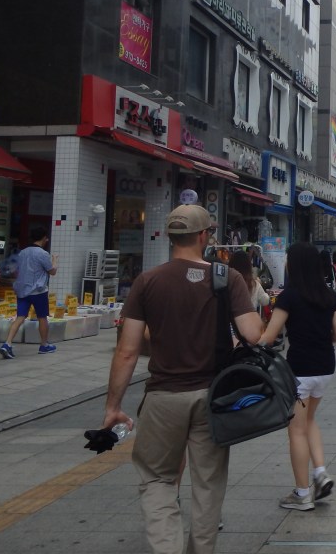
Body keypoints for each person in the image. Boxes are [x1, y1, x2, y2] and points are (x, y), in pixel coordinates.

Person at [101, 204, 261, 554]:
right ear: (204, 236)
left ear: (171, 237)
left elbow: (127, 351)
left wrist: (113, 406)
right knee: (207, 484)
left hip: (163, 396)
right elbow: (253, 333)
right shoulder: (227, 278)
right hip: (212, 397)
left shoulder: (148, 281)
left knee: (157, 478)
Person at [261, 243, 336, 511]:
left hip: (299, 371)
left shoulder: (289, 296)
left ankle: (302, 494)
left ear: (294, 265)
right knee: (309, 420)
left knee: (295, 429)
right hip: (325, 367)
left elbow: (269, 336)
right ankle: (320, 473)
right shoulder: (329, 295)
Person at [0, 226, 59, 359]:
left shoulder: (23, 252)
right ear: (44, 238)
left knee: (20, 317)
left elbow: (16, 270)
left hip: (22, 290)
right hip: (38, 291)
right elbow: (52, 271)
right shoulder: (43, 254)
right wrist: (54, 259)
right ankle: (44, 345)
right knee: (42, 317)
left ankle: (7, 343)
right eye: (46, 238)